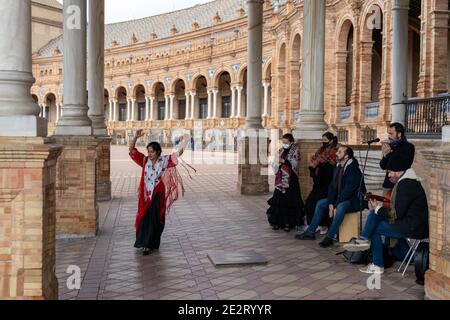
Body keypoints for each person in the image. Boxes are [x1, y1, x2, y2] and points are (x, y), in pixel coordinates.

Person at [343, 153, 429, 275]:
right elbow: (398, 210)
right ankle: (365, 242)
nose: (388, 175)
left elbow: (396, 214)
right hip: (409, 223)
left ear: (398, 171)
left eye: (389, 172)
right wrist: (377, 209)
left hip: (413, 228)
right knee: (375, 215)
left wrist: (378, 208)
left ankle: (374, 259)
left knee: (375, 227)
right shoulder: (407, 182)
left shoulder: (406, 184)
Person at [129, 129, 189, 256]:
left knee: (155, 219)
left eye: (152, 152)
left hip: (158, 194)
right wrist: (135, 137)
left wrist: (185, 141)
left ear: (158, 152)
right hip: (146, 195)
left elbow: (178, 154)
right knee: (144, 217)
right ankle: (145, 244)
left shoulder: (164, 161)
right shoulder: (144, 161)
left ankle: (151, 243)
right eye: (148, 151)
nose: (149, 154)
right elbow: (132, 150)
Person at [296, 146, 367, 248]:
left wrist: (335, 205)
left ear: (346, 156)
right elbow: (332, 187)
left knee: (341, 207)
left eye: (339, 152)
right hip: (341, 198)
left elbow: (348, 191)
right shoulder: (338, 166)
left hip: (353, 199)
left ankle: (329, 237)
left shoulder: (353, 169)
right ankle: (310, 232)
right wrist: (330, 203)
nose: (336, 153)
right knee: (321, 203)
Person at [298, 132, 338, 235]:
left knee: (318, 203)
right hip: (319, 180)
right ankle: (314, 225)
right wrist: (315, 163)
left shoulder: (334, 150)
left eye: (325, 140)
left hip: (327, 182)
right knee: (310, 203)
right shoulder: (321, 149)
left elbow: (333, 163)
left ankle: (322, 225)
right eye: (322, 140)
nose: (323, 142)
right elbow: (314, 159)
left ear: (330, 140)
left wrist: (322, 161)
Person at [267, 134, 305, 232]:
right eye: (283, 142)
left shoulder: (295, 150)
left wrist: (283, 161)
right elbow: (275, 162)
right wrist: (276, 163)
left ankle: (289, 223)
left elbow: (295, 164)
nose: (284, 144)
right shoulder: (280, 150)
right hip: (281, 179)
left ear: (291, 142)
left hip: (291, 179)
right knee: (278, 199)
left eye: (286, 143)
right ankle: (277, 222)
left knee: (289, 200)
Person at [380, 122, 415, 192]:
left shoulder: (408, 147)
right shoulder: (390, 146)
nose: (389, 136)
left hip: (401, 185)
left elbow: (405, 165)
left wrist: (390, 152)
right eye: (388, 134)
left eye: (391, 134)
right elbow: (382, 166)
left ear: (399, 134)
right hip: (388, 185)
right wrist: (385, 155)